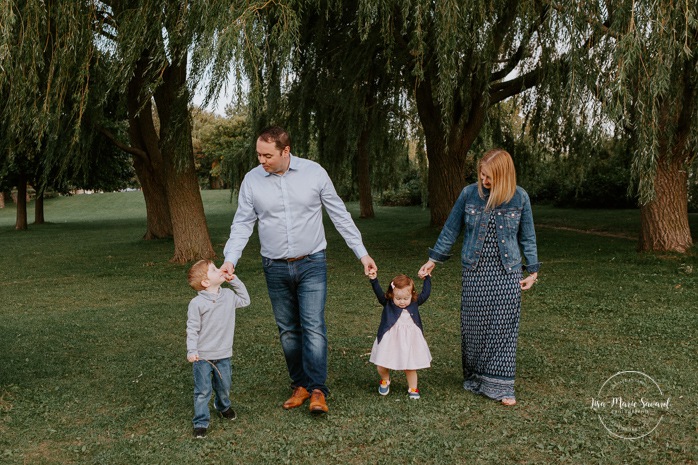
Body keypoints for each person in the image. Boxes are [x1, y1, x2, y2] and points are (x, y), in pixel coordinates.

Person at [221, 126, 377, 415]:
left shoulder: (314, 173)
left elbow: (339, 214)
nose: (261, 161)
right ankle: (300, 385)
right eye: (258, 154)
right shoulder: (252, 181)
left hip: (312, 263)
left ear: (286, 151)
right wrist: (231, 259)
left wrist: (362, 254)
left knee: (313, 326)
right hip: (274, 266)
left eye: (267, 155)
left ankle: (318, 390)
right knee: (288, 331)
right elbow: (242, 223)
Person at [418, 148, 539, 406]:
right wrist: (433, 260)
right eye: (482, 175)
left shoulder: (520, 198)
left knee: (504, 327)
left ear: (504, 175)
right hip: (475, 270)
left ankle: (502, 386)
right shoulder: (469, 194)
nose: (484, 181)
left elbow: (527, 236)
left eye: (490, 177)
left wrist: (533, 271)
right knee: (475, 327)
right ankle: (477, 377)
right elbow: (451, 229)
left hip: (507, 272)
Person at [186, 259, 251, 438]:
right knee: (203, 390)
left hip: (223, 353)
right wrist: (192, 351)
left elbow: (245, 300)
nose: (220, 270)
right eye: (214, 270)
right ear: (206, 283)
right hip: (203, 357)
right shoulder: (197, 304)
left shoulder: (229, 296)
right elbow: (192, 328)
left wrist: (234, 281)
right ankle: (200, 422)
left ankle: (223, 406)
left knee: (224, 385)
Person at [368, 270, 432, 399]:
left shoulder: (414, 302)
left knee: (410, 365)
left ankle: (413, 387)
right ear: (392, 295)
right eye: (398, 298)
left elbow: (426, 294)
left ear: (412, 295)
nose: (402, 302)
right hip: (390, 338)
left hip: (409, 340)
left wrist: (427, 280)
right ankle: (385, 379)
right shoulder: (388, 303)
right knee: (381, 363)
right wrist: (374, 280)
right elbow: (379, 293)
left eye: (405, 298)